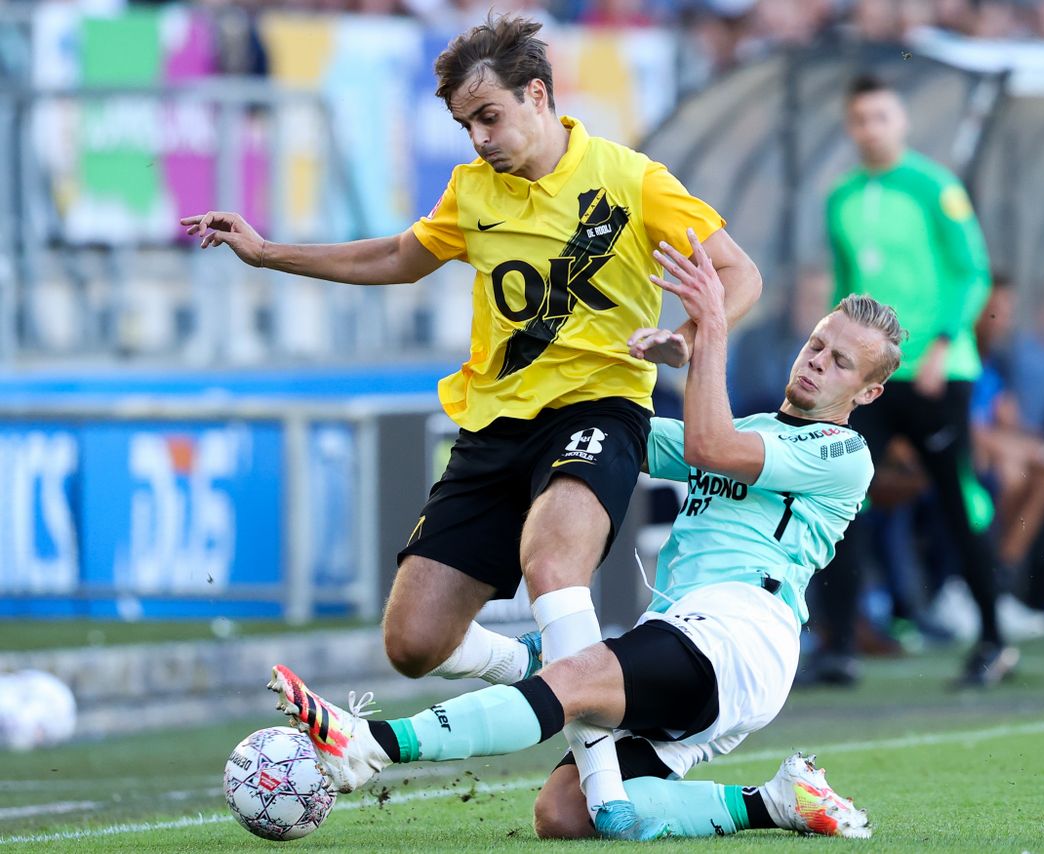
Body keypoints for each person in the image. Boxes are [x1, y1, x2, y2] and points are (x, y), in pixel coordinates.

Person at [182, 15, 761, 840]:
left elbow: (740, 274)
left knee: (553, 564)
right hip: (494, 427)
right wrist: (270, 252)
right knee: (413, 644)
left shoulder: (632, 181)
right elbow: (394, 258)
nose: (478, 138)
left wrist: (693, 338)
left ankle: (608, 792)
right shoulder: (471, 192)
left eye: (488, 117)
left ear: (537, 95)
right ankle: (538, 661)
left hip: (600, 407)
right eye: (464, 125)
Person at [268, 230, 904, 841]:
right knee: (566, 813)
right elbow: (628, 436)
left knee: (574, 685)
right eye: (818, 344)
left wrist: (708, 328)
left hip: (740, 636)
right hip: (691, 633)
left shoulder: (842, 453)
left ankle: (367, 746)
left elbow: (710, 443)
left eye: (840, 361)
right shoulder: (756, 427)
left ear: (868, 391)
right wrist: (566, 369)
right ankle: (776, 802)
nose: (818, 361)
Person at [814, 74, 1014, 688]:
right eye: (859, 119)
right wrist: (831, 352)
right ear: (850, 126)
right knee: (838, 497)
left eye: (880, 116)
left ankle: (993, 640)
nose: (869, 128)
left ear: (899, 122)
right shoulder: (841, 197)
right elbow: (845, 285)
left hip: (934, 371)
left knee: (956, 501)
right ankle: (840, 645)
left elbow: (970, 270)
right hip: (869, 374)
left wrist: (948, 343)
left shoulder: (935, 187)